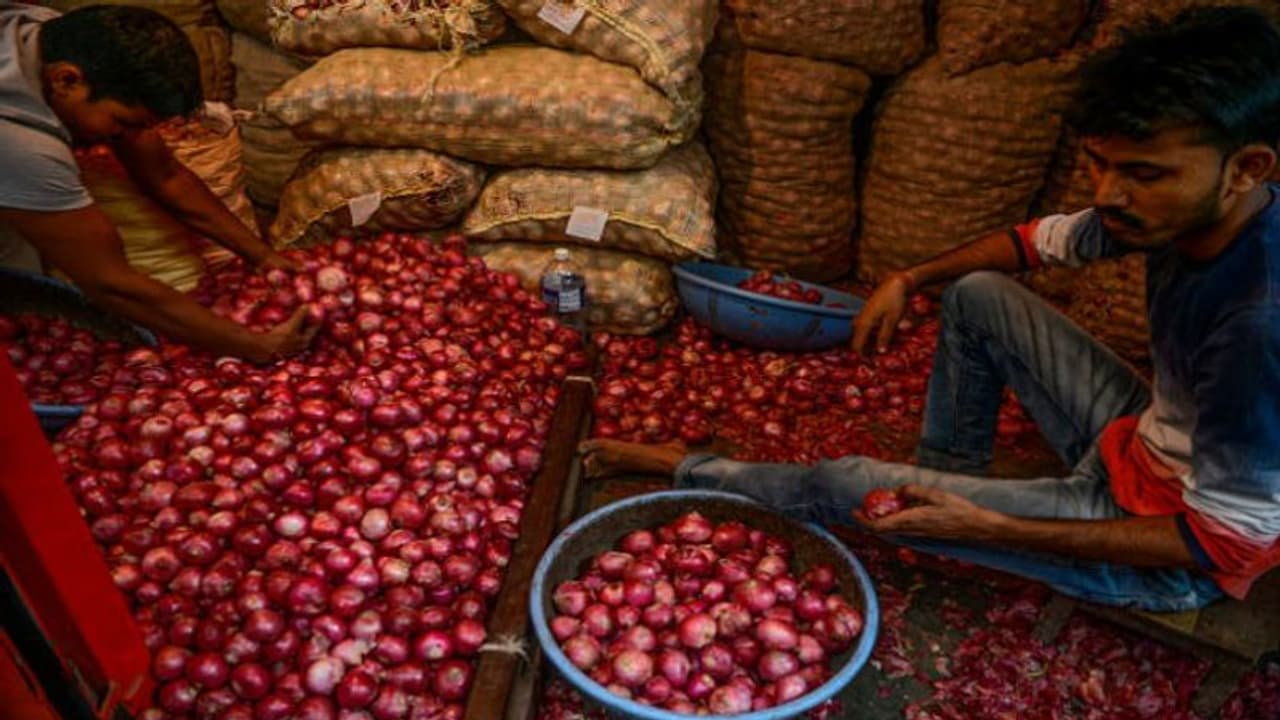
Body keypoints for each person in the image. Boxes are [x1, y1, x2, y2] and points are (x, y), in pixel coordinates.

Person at [581, 6, 1280, 612]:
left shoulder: (1258, 325)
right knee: (979, 294)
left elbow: (1225, 543)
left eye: (1142, 174)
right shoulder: (1181, 212)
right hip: (1140, 446)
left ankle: (691, 468)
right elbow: (1038, 244)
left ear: (1248, 168)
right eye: (1099, 164)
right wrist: (909, 278)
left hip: (1162, 547)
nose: (1107, 193)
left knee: (847, 481)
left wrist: (993, 531)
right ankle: (949, 481)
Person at [0, 3, 316, 363]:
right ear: (67, 81)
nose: (133, 136)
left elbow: (165, 176)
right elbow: (110, 284)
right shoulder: (21, 145)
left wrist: (262, 257)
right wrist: (257, 346)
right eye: (125, 123)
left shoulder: (51, 38)